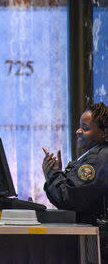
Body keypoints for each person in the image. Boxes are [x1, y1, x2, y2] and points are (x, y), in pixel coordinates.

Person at [42, 102, 107, 263]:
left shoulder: (98, 159)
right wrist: (55, 174)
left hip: (98, 244)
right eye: (79, 126)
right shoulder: (94, 155)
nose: (78, 131)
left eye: (85, 128)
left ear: (105, 132)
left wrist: (53, 174)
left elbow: (70, 198)